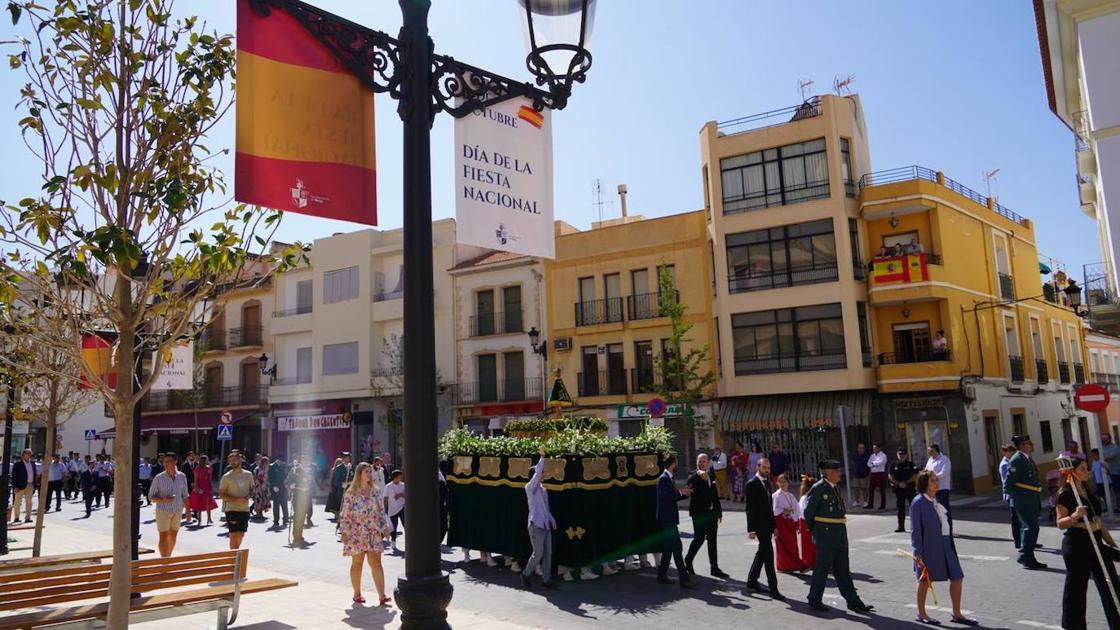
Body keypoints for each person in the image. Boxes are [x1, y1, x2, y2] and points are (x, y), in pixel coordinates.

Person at [1055, 455, 1120, 629]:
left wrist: (1113, 545)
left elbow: (1099, 523)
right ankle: (1073, 625)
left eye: (1086, 468)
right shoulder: (1065, 494)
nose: (1087, 472)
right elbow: (1060, 523)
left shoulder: (1089, 492)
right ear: (1072, 473)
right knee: (1077, 589)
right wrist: (1075, 516)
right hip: (1077, 546)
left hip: (1096, 544)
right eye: (1082, 469)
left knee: (1111, 583)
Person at [804, 459, 873, 614]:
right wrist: (817, 533)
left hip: (839, 535)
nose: (840, 473)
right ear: (829, 473)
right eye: (837, 471)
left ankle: (853, 601)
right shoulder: (819, 488)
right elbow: (808, 513)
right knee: (822, 570)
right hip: (826, 536)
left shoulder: (835, 488)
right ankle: (814, 599)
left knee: (843, 570)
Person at [910, 470, 977, 625]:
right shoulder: (918, 502)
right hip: (929, 546)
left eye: (936, 480)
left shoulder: (935, 500)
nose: (936, 483)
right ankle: (921, 613)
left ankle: (957, 613)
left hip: (946, 545)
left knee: (957, 577)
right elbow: (916, 529)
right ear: (924, 484)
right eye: (933, 480)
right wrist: (917, 551)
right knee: (925, 579)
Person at [339, 462, 393, 606]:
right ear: (359, 474)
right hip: (356, 533)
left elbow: (381, 512)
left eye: (370, 471)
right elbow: (345, 514)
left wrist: (385, 527)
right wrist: (344, 531)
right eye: (366, 472)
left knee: (376, 563)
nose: (370, 474)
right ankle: (357, 594)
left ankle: (382, 595)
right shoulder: (351, 493)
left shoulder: (375, 491)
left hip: (373, 532)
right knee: (357, 564)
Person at [1003, 435, 1046, 570]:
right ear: (1021, 446)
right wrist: (1012, 498)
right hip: (1022, 499)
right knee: (1031, 527)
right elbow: (1009, 482)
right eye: (1026, 443)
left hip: (1030, 498)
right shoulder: (1016, 460)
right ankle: (1025, 556)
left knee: (1029, 528)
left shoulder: (1026, 458)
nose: (1029, 445)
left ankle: (1029, 556)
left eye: (1029, 443)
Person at [655, 454, 695, 588]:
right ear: (672, 464)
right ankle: (684, 579)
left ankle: (661, 575)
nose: (677, 466)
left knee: (668, 549)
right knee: (677, 548)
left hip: (670, 519)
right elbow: (666, 498)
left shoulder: (669, 478)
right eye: (676, 463)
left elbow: (673, 497)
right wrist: (681, 493)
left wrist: (684, 494)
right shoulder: (663, 479)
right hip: (667, 520)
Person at [745, 457, 783, 600]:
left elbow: (769, 507)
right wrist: (751, 529)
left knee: (762, 552)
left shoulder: (767, 483)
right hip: (759, 526)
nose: (767, 470)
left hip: (768, 525)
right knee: (768, 556)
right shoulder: (752, 484)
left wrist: (774, 526)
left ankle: (752, 580)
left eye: (768, 468)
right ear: (758, 467)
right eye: (764, 467)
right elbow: (750, 508)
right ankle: (773, 589)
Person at [685, 452, 727, 579]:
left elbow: (715, 495)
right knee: (699, 538)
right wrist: (698, 473)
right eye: (700, 461)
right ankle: (688, 560)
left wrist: (719, 512)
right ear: (697, 463)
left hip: (711, 513)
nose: (703, 463)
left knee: (712, 541)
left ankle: (714, 568)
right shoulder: (694, 475)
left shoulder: (711, 474)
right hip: (699, 514)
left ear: (708, 462)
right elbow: (690, 480)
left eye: (705, 461)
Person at [521, 446, 558, 590]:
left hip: (545, 525)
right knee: (538, 554)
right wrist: (542, 457)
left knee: (548, 553)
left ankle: (546, 580)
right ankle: (525, 574)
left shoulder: (543, 490)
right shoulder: (530, 488)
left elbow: (545, 509)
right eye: (540, 473)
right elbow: (537, 474)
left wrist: (552, 519)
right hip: (536, 526)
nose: (543, 474)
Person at [148, 452, 190, 557]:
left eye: (169, 461)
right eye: (164, 461)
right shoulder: (158, 478)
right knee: (163, 535)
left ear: (175, 462)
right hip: (163, 510)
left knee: (173, 534)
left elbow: (185, 495)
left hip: (177, 510)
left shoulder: (182, 476)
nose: (166, 464)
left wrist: (188, 511)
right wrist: (163, 500)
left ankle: (168, 557)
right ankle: (164, 559)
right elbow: (151, 496)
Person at [219, 451, 254, 550]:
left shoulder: (249, 474)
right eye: (231, 460)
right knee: (233, 534)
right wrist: (236, 499)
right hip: (231, 510)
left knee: (241, 534)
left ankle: (235, 552)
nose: (233, 462)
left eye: (235, 460)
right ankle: (233, 556)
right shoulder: (226, 477)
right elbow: (221, 494)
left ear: (240, 460)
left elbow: (252, 489)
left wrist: (248, 496)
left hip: (245, 509)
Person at [773, 473, 807, 573]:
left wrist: (797, 522)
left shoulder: (791, 496)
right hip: (781, 524)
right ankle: (784, 566)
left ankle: (793, 565)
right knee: (783, 546)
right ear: (777, 483)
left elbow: (797, 509)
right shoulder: (776, 496)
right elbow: (774, 510)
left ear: (788, 483)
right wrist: (784, 511)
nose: (783, 484)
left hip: (790, 524)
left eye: (785, 482)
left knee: (793, 546)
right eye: (781, 482)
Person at [889, 447, 918, 533]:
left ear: (906, 455)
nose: (902, 456)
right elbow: (890, 476)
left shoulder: (910, 464)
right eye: (900, 454)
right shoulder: (893, 464)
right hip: (899, 489)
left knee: (914, 507)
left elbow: (915, 475)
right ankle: (901, 526)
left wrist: (906, 482)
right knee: (900, 509)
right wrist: (898, 483)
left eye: (903, 454)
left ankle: (916, 526)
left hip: (910, 488)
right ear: (897, 454)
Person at [999, 443, 1022, 549]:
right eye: (1010, 452)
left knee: (1021, 518)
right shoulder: (1005, 464)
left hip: (1016, 493)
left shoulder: (1011, 462)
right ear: (1005, 452)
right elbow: (1007, 480)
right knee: (1015, 518)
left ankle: (1025, 539)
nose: (1012, 454)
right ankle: (1018, 541)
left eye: (1013, 452)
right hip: (1011, 494)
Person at [923, 445, 952, 529]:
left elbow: (944, 473)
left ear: (936, 451)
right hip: (932, 489)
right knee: (935, 510)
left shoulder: (944, 460)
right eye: (928, 451)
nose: (929, 453)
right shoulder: (930, 460)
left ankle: (948, 528)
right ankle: (940, 527)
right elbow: (927, 470)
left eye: (931, 451)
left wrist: (933, 477)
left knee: (944, 509)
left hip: (942, 488)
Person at [188, 454, 218, 525]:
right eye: (206, 460)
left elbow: (210, 479)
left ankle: (209, 518)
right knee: (199, 503)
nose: (207, 461)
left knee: (208, 503)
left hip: (207, 487)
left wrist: (211, 488)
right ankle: (200, 520)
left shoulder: (209, 469)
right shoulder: (197, 469)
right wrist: (196, 488)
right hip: (200, 487)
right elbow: (196, 480)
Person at [11, 449, 36, 523]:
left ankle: (27, 518)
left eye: (30, 453)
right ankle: (16, 517)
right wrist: (15, 487)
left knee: (29, 502)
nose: (29, 455)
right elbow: (14, 476)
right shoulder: (18, 464)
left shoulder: (32, 463)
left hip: (30, 485)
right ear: (23, 454)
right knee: (17, 502)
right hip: (19, 486)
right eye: (27, 453)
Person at [797, 475, 817, 569]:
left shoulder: (806, 497)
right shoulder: (807, 498)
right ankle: (810, 562)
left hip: (806, 521)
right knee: (809, 543)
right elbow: (806, 511)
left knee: (811, 543)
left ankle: (813, 561)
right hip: (807, 522)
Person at [386, 469, 405, 551]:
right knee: (393, 526)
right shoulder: (388, 486)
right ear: (395, 477)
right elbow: (385, 498)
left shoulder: (404, 485)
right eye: (400, 476)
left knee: (406, 525)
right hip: (392, 509)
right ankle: (393, 541)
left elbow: (408, 495)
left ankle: (410, 542)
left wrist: (401, 494)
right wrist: (385, 509)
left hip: (402, 508)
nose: (401, 477)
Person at [268, 457, 290, 528]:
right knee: (276, 505)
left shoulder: (284, 466)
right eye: (280, 461)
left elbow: (287, 476)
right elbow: (270, 477)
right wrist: (273, 486)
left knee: (284, 505)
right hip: (276, 488)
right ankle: (276, 520)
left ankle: (286, 519)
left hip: (284, 488)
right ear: (277, 460)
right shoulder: (272, 466)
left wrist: (287, 484)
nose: (281, 462)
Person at [327, 455, 348, 522]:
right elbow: (331, 479)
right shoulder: (333, 469)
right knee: (335, 500)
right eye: (338, 462)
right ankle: (336, 513)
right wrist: (330, 487)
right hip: (334, 486)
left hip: (339, 487)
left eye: (340, 462)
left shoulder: (343, 469)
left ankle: (339, 513)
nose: (339, 463)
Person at [867, 444, 888, 510]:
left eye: (875, 448)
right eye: (873, 448)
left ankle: (882, 505)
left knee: (881, 490)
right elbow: (868, 464)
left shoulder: (883, 455)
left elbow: (880, 463)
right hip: (873, 474)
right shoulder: (872, 455)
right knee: (871, 489)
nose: (874, 450)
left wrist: (873, 463)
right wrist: (874, 464)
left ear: (879, 448)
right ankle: (870, 504)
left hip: (880, 474)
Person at [850, 443, 871, 508]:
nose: (860, 449)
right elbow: (852, 463)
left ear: (864, 449)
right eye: (859, 448)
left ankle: (865, 501)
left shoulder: (867, 456)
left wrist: (869, 474)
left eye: (862, 448)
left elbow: (870, 466)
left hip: (864, 475)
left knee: (864, 488)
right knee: (855, 488)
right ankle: (857, 501)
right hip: (856, 475)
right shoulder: (855, 455)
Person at [1104, 433, 1120, 513]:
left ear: (1110, 439)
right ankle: (1117, 507)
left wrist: (1104, 456)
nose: (1104, 440)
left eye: (1106, 438)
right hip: (1109, 472)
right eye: (1103, 439)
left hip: (1117, 471)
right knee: (1115, 491)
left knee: (1117, 491)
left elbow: (1108, 457)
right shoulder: (1103, 447)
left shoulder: (1115, 448)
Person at [252, 456, 272, 521]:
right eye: (266, 462)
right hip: (258, 487)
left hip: (265, 487)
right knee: (258, 500)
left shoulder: (267, 469)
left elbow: (268, 477)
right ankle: (258, 514)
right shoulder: (257, 469)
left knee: (264, 500)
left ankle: (261, 513)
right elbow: (255, 477)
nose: (267, 464)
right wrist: (259, 483)